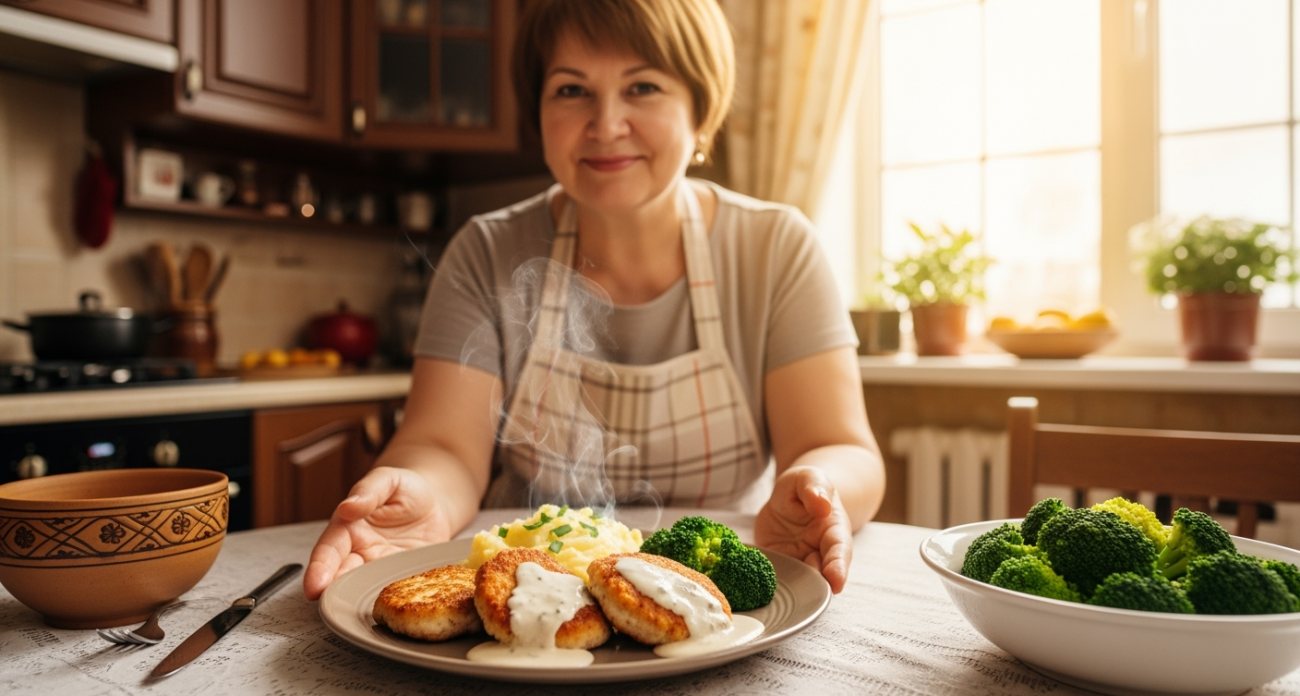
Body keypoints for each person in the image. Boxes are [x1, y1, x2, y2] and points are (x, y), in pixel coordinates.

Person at [304, 0, 885, 601]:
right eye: (571, 90)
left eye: (642, 86)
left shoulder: (775, 247)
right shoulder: (486, 250)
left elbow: (839, 444)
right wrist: (419, 490)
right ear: (539, 109)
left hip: (722, 599)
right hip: (526, 592)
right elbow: (443, 447)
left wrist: (821, 487)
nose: (606, 124)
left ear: (701, 111)